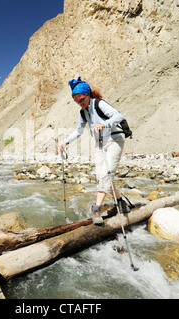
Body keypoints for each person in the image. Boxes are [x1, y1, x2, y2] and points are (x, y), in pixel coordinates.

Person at [59, 77, 128, 225]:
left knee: (106, 175)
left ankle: (96, 209)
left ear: (87, 95)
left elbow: (118, 116)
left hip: (115, 140)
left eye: (81, 99)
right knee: (102, 175)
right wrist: (66, 141)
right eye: (76, 100)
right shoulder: (83, 112)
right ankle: (121, 204)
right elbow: (78, 131)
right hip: (100, 144)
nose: (79, 102)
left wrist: (104, 124)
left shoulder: (99, 103)